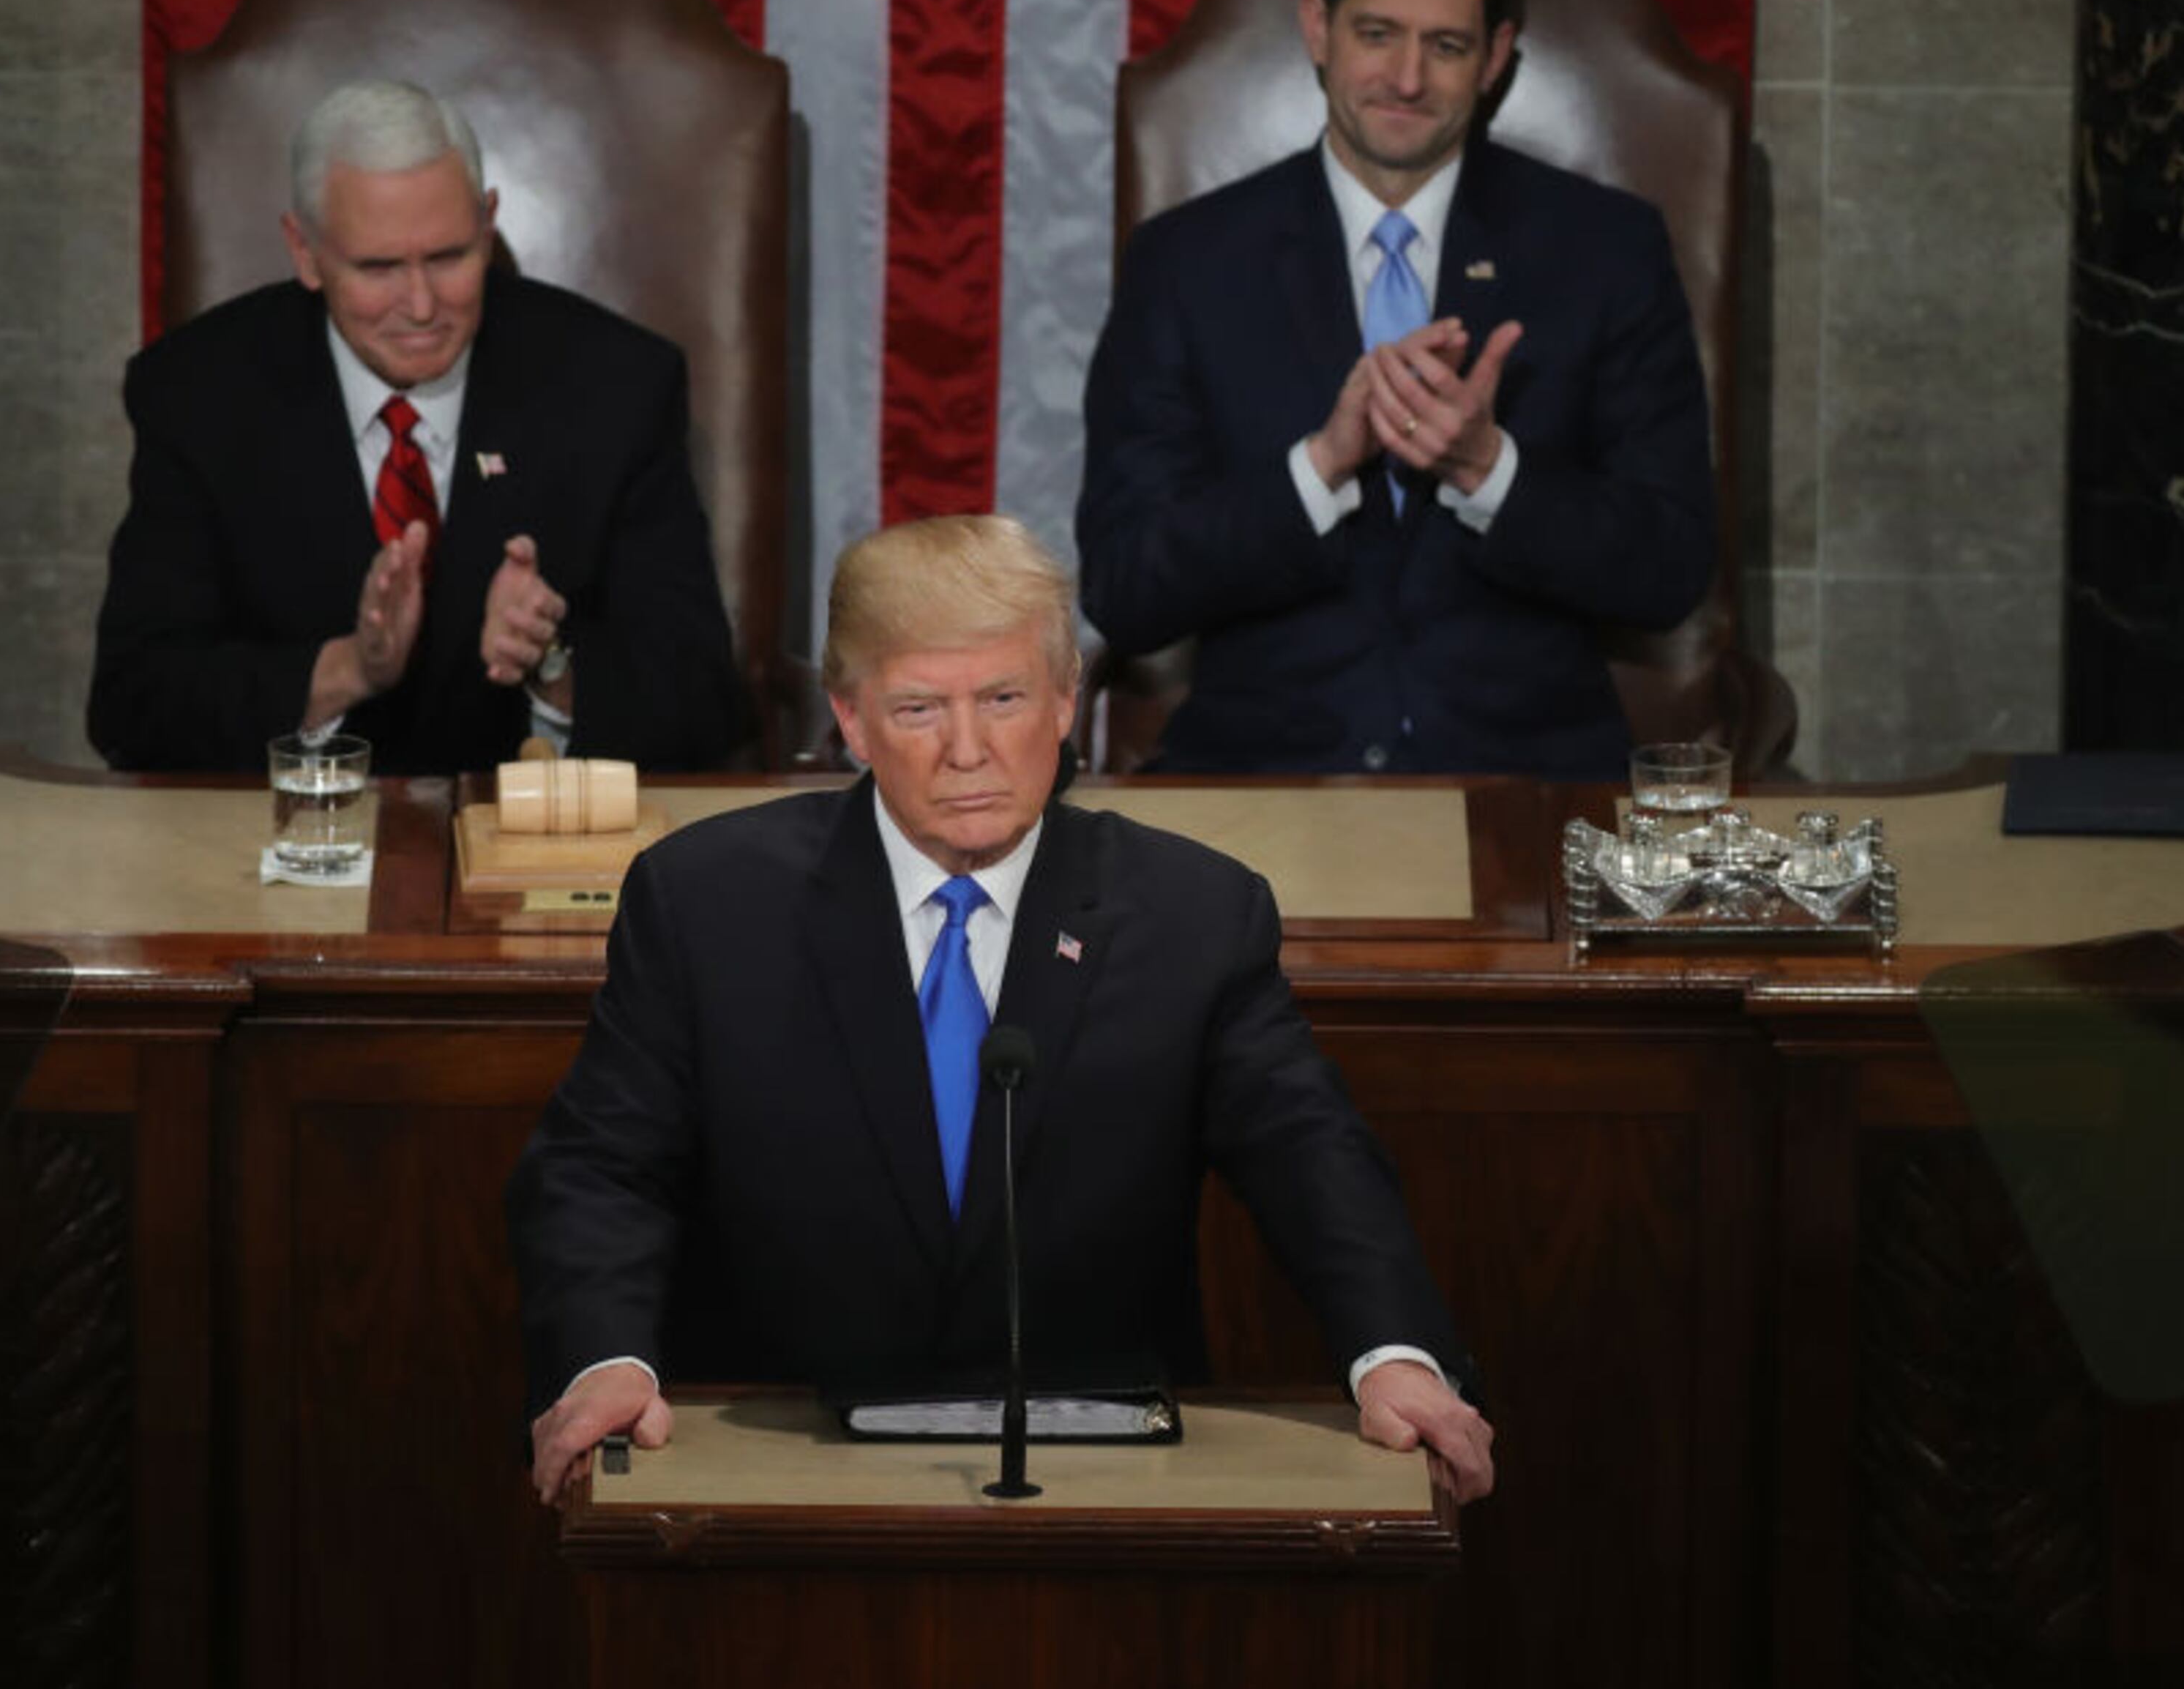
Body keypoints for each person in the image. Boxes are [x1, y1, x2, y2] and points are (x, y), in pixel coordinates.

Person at [506, 514, 1495, 1506]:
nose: (967, 751)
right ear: (850, 718)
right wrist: (606, 1365)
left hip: (1101, 1469)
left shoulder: (1196, 914)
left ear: (1066, 699)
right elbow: (600, 1167)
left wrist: (1393, 1352)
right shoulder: (706, 903)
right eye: (920, 708)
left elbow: (1311, 1156)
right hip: (775, 1452)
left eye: (1005, 697)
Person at [1078, 0, 1718, 778]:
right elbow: (1125, 586)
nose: (1406, 80)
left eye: (1446, 46)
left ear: (1496, 58)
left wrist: (1486, 469)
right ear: (1318, 28)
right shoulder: (1187, 262)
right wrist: (1320, 466)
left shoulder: (1605, 250)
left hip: (1528, 789)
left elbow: (1670, 567)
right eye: (1377, 35)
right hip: (1265, 782)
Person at [88, 78, 746, 775]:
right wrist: (349, 670)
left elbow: (705, 703)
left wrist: (550, 662)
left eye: (450, 258)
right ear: (305, 251)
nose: (423, 305)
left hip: (526, 850)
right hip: (284, 848)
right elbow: (134, 706)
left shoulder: (615, 386)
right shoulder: (199, 394)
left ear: (488, 225)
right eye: (379, 268)